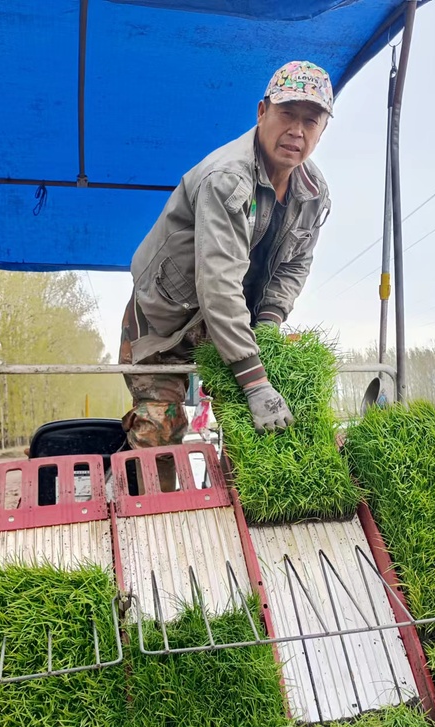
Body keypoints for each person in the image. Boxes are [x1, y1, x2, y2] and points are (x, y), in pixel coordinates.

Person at [119, 60, 333, 488]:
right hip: (166, 324)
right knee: (159, 430)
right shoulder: (226, 178)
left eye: (311, 121)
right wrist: (254, 381)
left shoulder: (313, 194)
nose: (297, 131)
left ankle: (234, 524)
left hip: (233, 329)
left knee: (252, 431)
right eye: (287, 114)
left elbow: (294, 265)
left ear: (322, 129)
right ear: (261, 112)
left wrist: (269, 324)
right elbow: (217, 282)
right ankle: (143, 523)